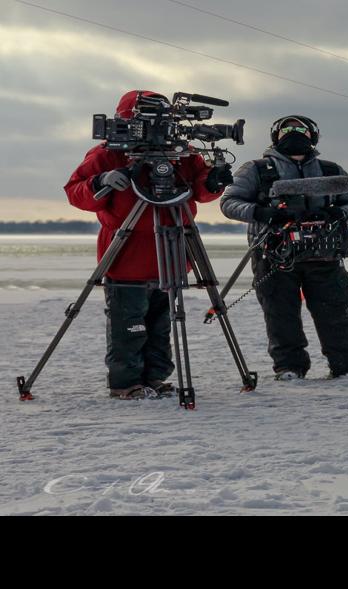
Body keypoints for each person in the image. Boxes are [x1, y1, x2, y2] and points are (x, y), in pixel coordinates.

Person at [64, 90, 233, 400]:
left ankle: (155, 378)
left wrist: (214, 181)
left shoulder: (182, 154)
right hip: (126, 256)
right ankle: (126, 383)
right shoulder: (107, 154)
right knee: (128, 326)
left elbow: (199, 188)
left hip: (171, 252)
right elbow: (75, 192)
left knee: (161, 324)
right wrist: (101, 182)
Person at [219, 115, 348, 381]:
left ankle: (347, 367)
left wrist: (338, 215)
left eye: (300, 129)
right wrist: (262, 212)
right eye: (286, 130)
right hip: (273, 254)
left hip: (324, 253)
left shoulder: (331, 170)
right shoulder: (255, 169)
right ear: (275, 137)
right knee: (280, 313)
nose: (293, 134)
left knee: (335, 313)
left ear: (312, 136)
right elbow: (229, 202)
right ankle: (289, 368)